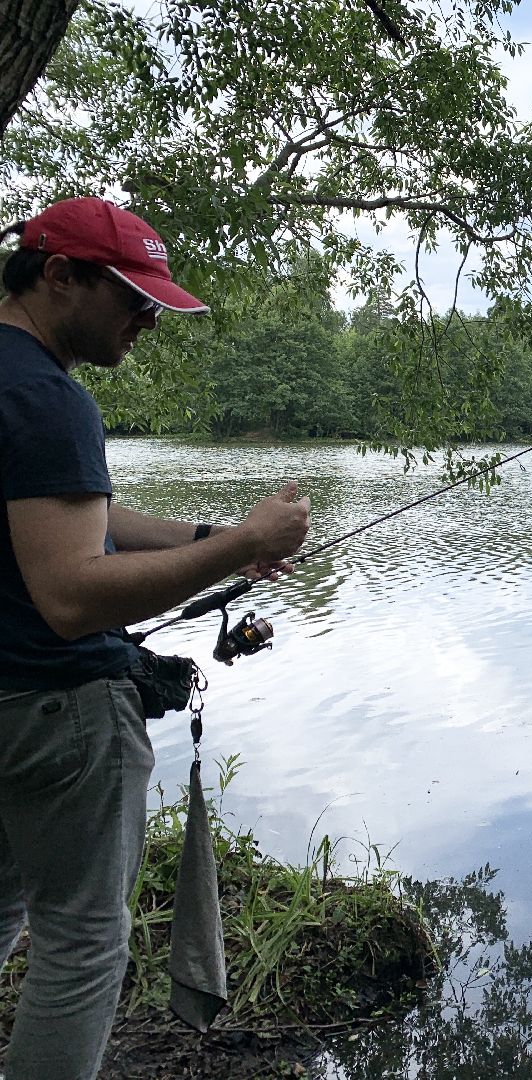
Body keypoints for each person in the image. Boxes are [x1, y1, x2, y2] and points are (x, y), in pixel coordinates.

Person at [0, 197, 310, 1080]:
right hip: (55, 715)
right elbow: (69, 595)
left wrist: (206, 540)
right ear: (60, 275)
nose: (146, 321)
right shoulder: (48, 398)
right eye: (132, 298)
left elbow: (66, 519)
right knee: (83, 948)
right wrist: (246, 546)